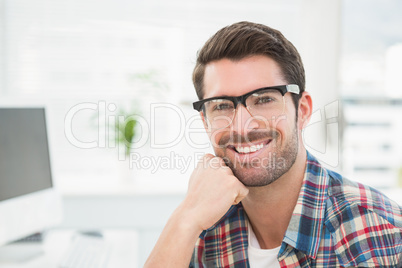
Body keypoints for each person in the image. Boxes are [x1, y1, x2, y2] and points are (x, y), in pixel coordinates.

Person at [144, 21, 402, 267]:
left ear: (302, 109)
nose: (243, 126)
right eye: (222, 106)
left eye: (264, 99)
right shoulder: (198, 232)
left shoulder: (381, 234)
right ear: (205, 121)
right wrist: (185, 218)